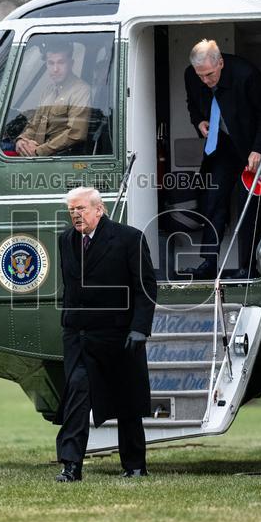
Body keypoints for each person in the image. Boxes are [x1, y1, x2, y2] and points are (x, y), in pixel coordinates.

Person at [53, 187, 158, 482]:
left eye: (81, 209)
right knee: (76, 395)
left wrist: (139, 328)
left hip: (118, 333)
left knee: (127, 400)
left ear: (99, 210)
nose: (76, 215)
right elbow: (71, 288)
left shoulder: (129, 238)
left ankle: (135, 465)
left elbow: (146, 287)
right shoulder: (65, 240)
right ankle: (71, 466)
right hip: (79, 335)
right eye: (72, 210)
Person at [183, 39, 261, 280]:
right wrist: (198, 121)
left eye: (210, 74)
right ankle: (208, 263)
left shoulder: (246, 74)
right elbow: (192, 105)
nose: (206, 81)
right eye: (201, 76)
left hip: (249, 146)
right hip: (221, 147)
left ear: (220, 63)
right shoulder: (192, 75)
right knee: (213, 201)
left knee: (248, 206)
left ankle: (250, 266)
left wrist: (258, 148)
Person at [14, 41, 92, 157]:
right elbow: (35, 124)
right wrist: (21, 140)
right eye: (51, 63)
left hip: (61, 161)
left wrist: (38, 151)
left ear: (71, 64)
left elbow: (76, 133)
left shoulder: (80, 90)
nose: (55, 69)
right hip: (39, 159)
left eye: (61, 62)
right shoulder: (48, 91)